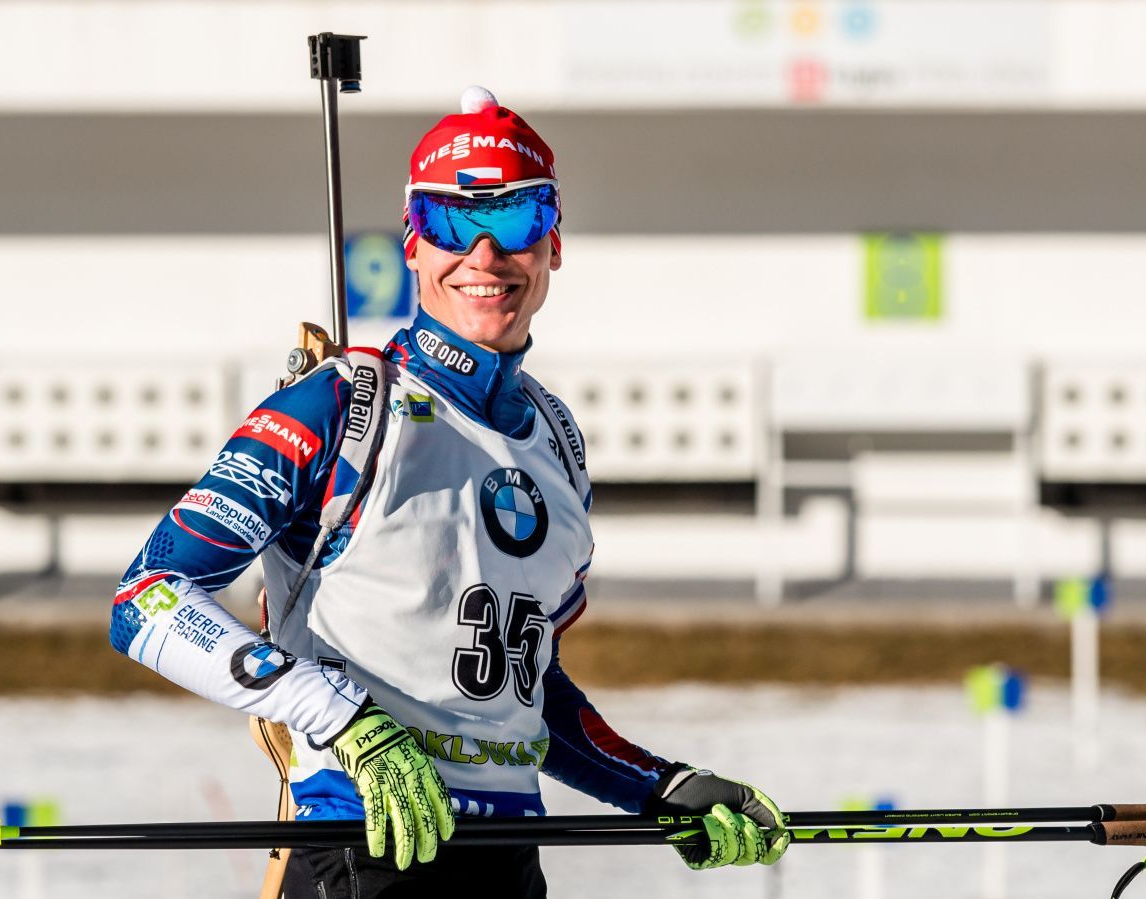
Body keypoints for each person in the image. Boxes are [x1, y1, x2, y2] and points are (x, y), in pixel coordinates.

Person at [110, 87, 789, 898]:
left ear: (553, 245)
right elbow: (146, 598)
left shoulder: (557, 441)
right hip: (362, 845)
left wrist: (658, 786)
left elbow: (522, 687)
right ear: (412, 243)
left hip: (506, 860)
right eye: (451, 222)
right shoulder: (343, 404)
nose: (485, 255)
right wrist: (341, 717)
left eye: (515, 221)